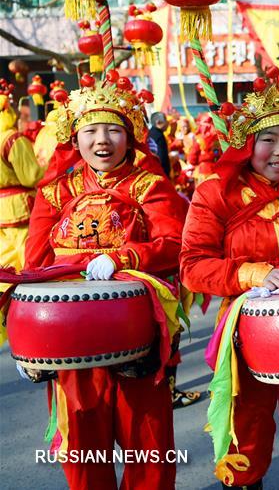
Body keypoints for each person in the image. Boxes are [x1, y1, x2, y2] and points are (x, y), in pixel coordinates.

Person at [180, 72, 279, 490]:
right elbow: (194, 266)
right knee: (246, 431)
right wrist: (253, 273)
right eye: (268, 140)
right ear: (247, 144)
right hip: (245, 331)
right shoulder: (216, 192)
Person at [24, 72, 186, 490]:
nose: (102, 140)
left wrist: (125, 258)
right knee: (83, 449)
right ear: (75, 137)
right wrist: (30, 342)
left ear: (130, 136)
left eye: (113, 129)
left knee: (147, 447)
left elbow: (174, 246)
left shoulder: (151, 186)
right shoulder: (55, 194)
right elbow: (35, 266)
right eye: (91, 130)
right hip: (73, 340)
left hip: (139, 335)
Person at [0, 80, 44, 274]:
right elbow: (31, 176)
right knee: (28, 256)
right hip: (19, 206)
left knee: (5, 258)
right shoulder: (12, 138)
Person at [148, 111, 172, 177]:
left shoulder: (151, 133)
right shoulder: (158, 135)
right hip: (160, 171)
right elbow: (162, 156)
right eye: (165, 120)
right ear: (158, 122)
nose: (167, 122)